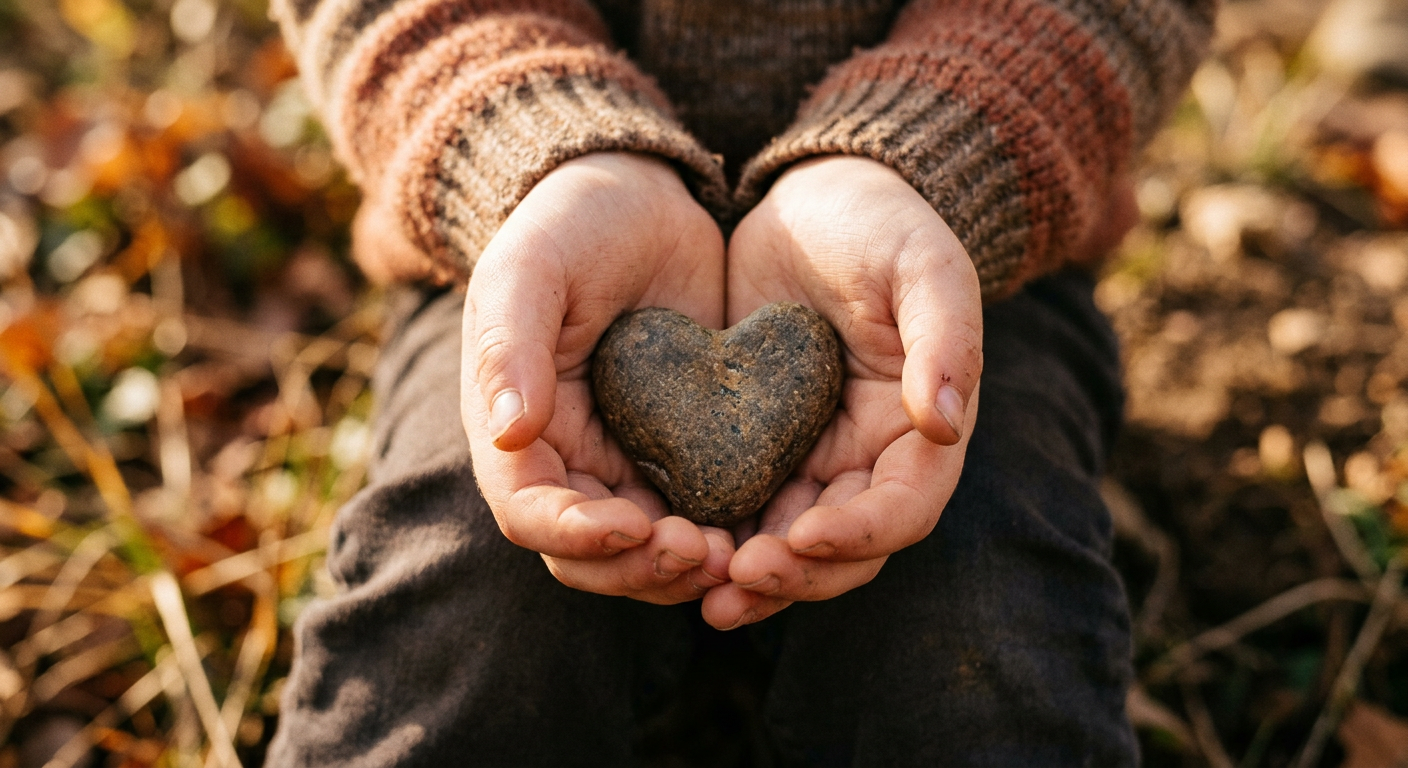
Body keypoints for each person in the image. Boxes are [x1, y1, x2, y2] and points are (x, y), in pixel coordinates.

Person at [265, 0, 1213, 764]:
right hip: (524, 242)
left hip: (966, 242)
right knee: (464, 588)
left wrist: (925, 151)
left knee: (983, 616)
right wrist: (552, 145)